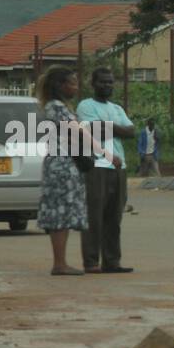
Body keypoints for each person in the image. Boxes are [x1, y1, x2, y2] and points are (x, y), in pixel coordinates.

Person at [34, 67, 120, 276]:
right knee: (60, 215)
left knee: (61, 214)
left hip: (63, 163)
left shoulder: (57, 107)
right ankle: (59, 263)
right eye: (72, 83)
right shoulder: (58, 108)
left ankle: (61, 262)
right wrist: (107, 155)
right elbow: (78, 134)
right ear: (60, 86)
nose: (75, 87)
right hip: (62, 166)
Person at [75, 67, 135, 273]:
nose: (107, 85)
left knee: (114, 217)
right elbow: (92, 129)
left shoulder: (117, 108)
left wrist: (108, 126)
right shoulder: (85, 105)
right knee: (94, 216)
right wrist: (116, 129)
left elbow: (131, 131)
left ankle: (112, 261)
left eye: (110, 82)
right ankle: (91, 261)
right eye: (102, 82)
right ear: (93, 84)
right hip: (96, 165)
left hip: (119, 167)